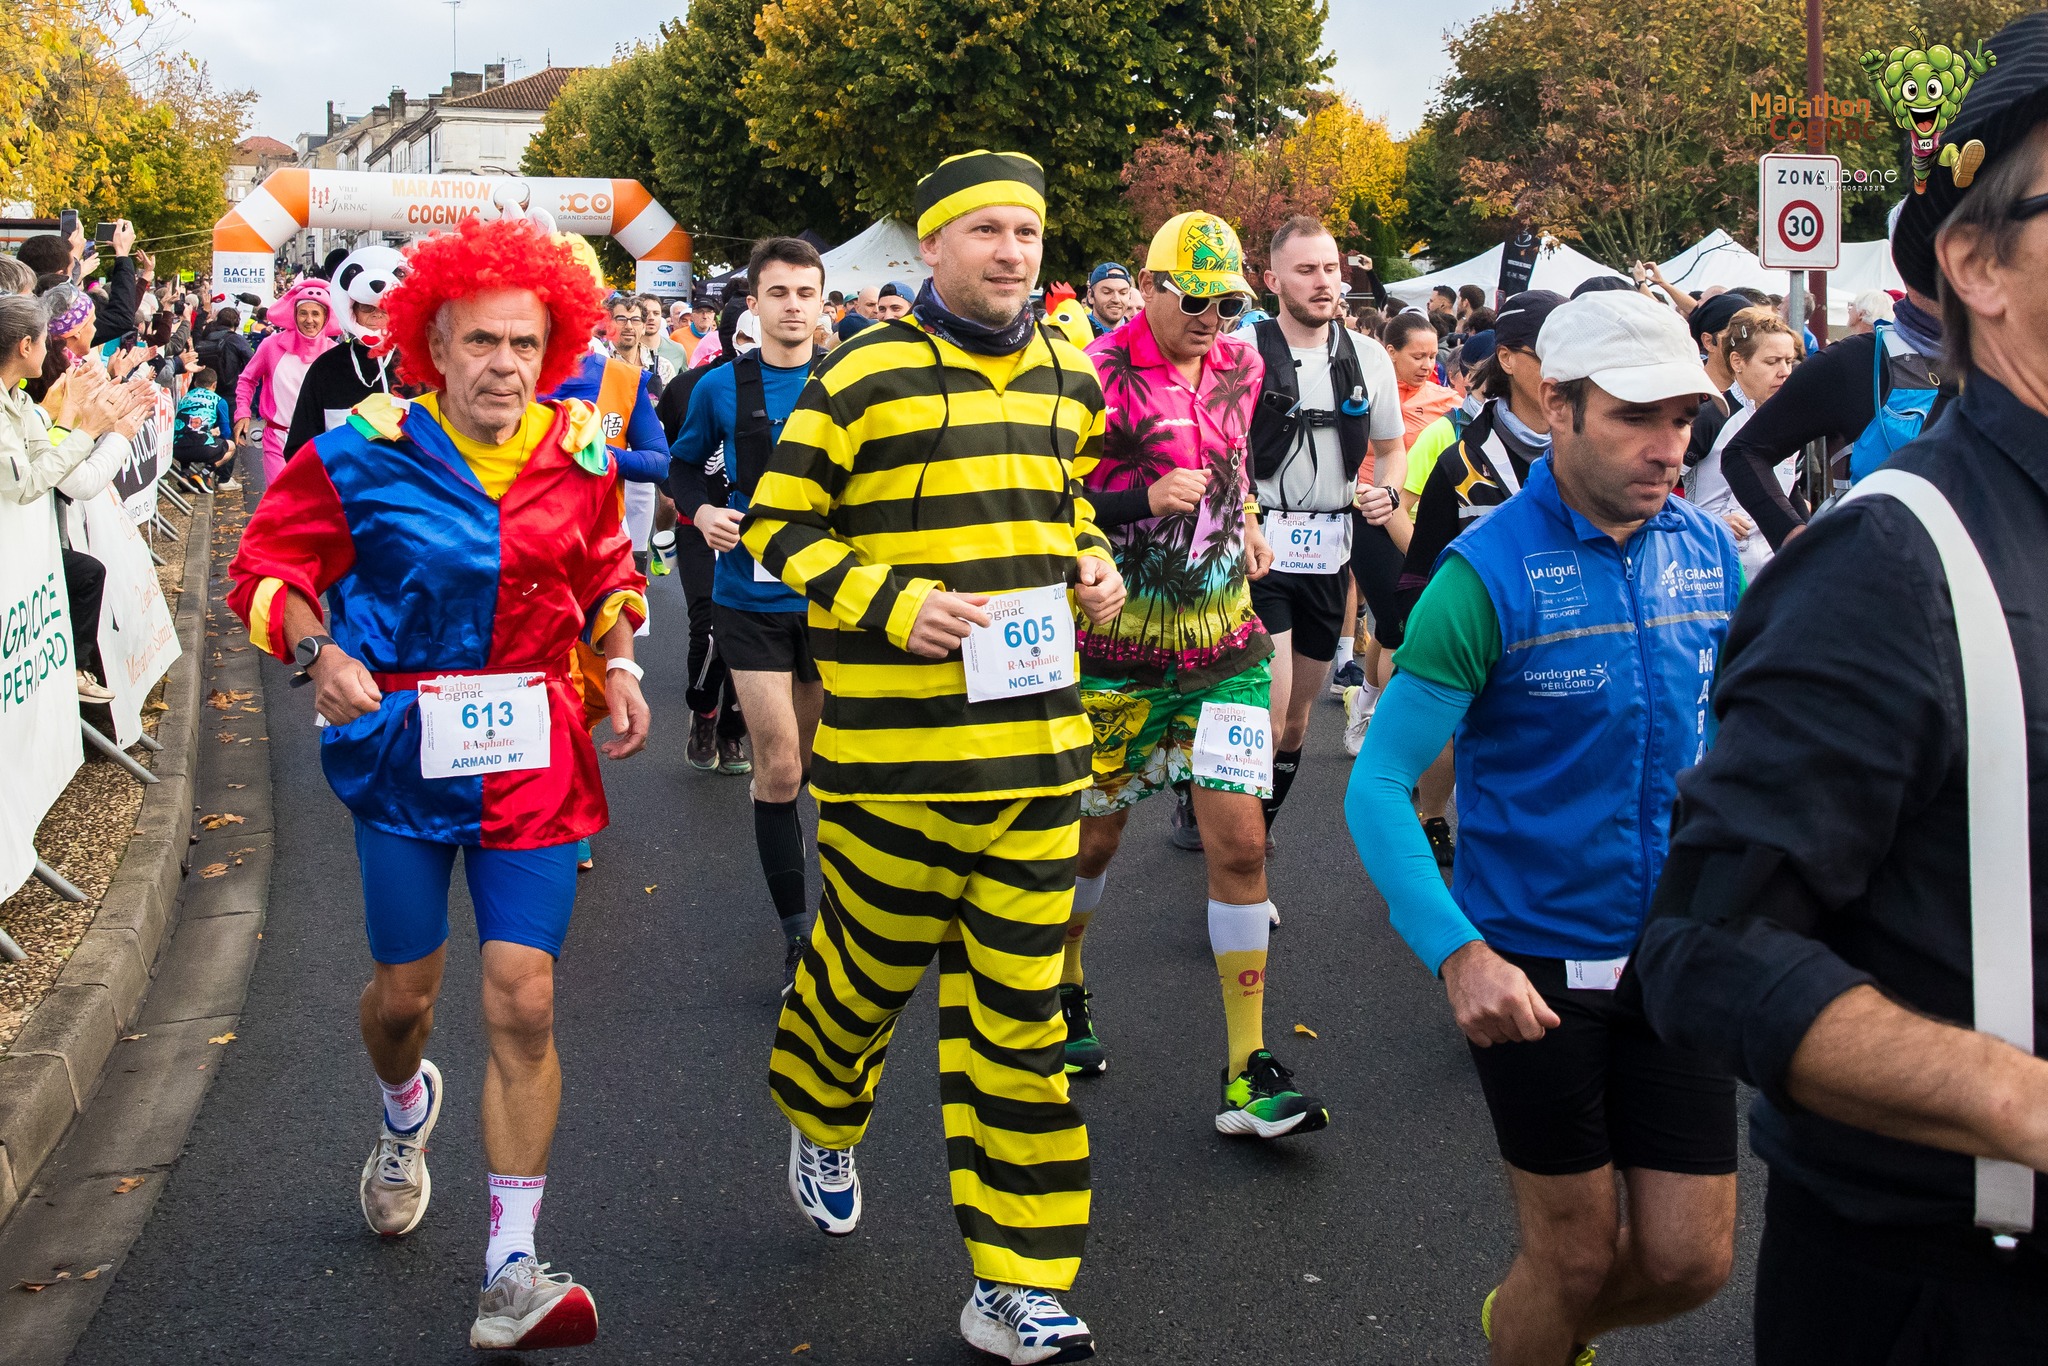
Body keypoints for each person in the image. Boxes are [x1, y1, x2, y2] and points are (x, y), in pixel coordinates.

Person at [1635, 24, 2048, 1357]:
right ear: (1976, 265)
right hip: (1952, 1297)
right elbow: (1707, 947)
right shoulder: (1890, 566)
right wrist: (2020, 1101)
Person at [224, 217, 647, 1352]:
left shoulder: (582, 453)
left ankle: (511, 1264)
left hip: (531, 759)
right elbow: (267, 567)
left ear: (552, 350)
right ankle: (404, 1107)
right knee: (404, 997)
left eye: (524, 342)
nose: (503, 364)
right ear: (433, 346)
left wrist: (618, 657)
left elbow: (607, 568)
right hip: (403, 749)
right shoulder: (363, 450)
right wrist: (319, 655)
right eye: (479, 342)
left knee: (523, 993)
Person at [743, 149, 1122, 1364]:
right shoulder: (861, 371)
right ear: (934, 245)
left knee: (1018, 1027)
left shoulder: (1071, 372)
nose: (1014, 253)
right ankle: (821, 1108)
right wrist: (890, 602)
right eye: (988, 232)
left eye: (1029, 231)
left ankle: (1016, 1281)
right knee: (860, 987)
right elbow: (778, 526)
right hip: (893, 773)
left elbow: (1061, 500)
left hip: (1038, 762)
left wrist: (1093, 560)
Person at [1347, 290, 1742, 1366]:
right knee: (1569, 1259)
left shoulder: (1711, 555)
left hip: (1676, 955)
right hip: (1532, 969)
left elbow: (1748, 748)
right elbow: (1377, 784)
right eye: (1634, 418)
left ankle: (1526, 1334)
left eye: (1683, 420)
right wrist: (1455, 952)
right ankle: (1535, 1334)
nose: (1668, 448)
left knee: (1688, 1262)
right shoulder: (1486, 577)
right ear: (1556, 408)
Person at [1058, 208, 1330, 1141]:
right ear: (1156, 289)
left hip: (1224, 646)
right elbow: (1051, 496)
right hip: (1118, 652)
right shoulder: (1091, 374)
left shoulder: (1245, 363)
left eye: (1231, 301)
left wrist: (1246, 514)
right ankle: (1065, 989)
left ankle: (1246, 1069)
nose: (1217, 317)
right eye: (1201, 300)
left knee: (1242, 847)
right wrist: (1137, 496)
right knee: (1093, 845)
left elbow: (1231, 460)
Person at [669, 236, 829, 995]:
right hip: (751, 597)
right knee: (780, 766)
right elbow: (681, 465)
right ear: (755, 304)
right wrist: (701, 514)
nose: (793, 306)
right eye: (780, 293)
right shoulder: (719, 387)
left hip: (836, 601)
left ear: (822, 303)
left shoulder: (852, 380)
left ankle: (850, 920)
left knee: (829, 772)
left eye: (806, 293)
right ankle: (798, 936)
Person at [1374, 291, 1565, 854]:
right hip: (1474, 633)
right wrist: (1424, 634)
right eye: (1548, 351)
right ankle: (1430, 815)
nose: (1564, 367)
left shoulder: (1589, 448)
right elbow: (1423, 561)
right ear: (1508, 359)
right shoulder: (1462, 456)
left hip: (1561, 630)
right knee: (1457, 741)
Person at [1236, 215, 1404, 843]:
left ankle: (1254, 821)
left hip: (1332, 549)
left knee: (1301, 718)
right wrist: (1245, 515)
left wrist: (1386, 489)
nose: (1324, 282)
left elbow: (1391, 449)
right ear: (1272, 278)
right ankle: (1243, 848)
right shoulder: (1244, 352)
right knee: (1272, 712)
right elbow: (1219, 447)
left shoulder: (1367, 357)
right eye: (1306, 270)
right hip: (1259, 548)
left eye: (1330, 268)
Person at [0, 294, 151, 704]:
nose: (53, 346)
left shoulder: (20, 399)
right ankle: (73, 673)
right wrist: (91, 429)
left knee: (84, 572)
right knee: (83, 574)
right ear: (25, 346)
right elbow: (33, 481)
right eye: (45, 337)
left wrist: (75, 416)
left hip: (27, 545)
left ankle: (75, 670)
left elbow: (49, 454)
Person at [654, 302, 751, 775]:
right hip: (699, 528)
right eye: (744, 336)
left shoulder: (802, 382)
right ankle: (705, 717)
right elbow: (673, 457)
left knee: (750, 630)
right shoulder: (691, 387)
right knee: (706, 623)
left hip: (761, 535)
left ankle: (734, 728)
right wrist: (689, 504)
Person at [1683, 307, 1801, 577]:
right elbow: (1660, 493)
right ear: (1738, 362)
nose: (1784, 372)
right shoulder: (1711, 417)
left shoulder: (1794, 420)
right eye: (1772, 362)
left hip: (1771, 573)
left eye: (1789, 361)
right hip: (1711, 564)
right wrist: (1709, 522)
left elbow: (1791, 493)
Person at [283, 244, 409, 462]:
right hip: (344, 488)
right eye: (367, 308)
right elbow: (300, 446)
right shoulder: (327, 367)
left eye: (384, 308)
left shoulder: (417, 362)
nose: (377, 315)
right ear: (353, 311)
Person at [234, 279, 339, 484]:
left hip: (321, 443)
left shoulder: (334, 353)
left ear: (326, 317)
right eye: (303, 313)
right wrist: (242, 412)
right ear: (294, 315)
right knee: (282, 507)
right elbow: (247, 379)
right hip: (278, 440)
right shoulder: (271, 345)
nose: (309, 320)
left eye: (316, 313)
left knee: (314, 509)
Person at [174, 365, 236, 487]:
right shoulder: (219, 400)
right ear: (214, 385)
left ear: (196, 383)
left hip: (177, 450)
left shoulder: (183, 398)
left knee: (185, 435)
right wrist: (215, 435)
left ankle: (184, 474)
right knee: (231, 446)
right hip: (203, 450)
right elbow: (226, 432)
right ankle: (204, 473)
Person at [1083, 262, 1133, 335]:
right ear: (1090, 296)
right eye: (1107, 292)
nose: (1116, 299)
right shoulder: (1075, 333)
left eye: (1123, 293)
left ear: (1129, 297)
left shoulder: (1139, 336)